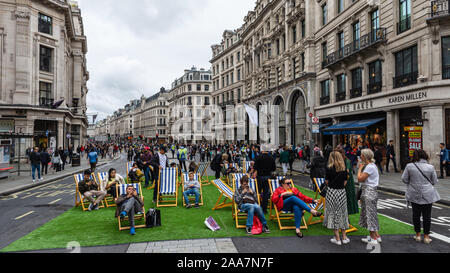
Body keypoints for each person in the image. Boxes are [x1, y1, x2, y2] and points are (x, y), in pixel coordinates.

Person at [402, 149, 440, 244]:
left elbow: (404, 179)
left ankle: (418, 235)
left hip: (414, 193)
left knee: (416, 215)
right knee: (427, 216)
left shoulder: (409, 166)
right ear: (425, 156)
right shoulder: (430, 167)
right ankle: (426, 237)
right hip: (428, 194)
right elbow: (434, 181)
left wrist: (412, 183)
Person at [324, 151, 350, 245]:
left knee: (333, 213)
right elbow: (345, 183)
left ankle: (337, 238)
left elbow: (327, 181)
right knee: (342, 213)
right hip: (341, 192)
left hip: (332, 192)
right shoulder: (344, 169)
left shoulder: (329, 168)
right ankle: (344, 237)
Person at [357, 149, 382, 245]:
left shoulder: (369, 167)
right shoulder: (372, 166)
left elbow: (360, 179)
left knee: (370, 215)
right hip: (371, 192)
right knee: (372, 214)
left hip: (369, 192)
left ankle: (373, 238)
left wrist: (359, 168)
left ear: (365, 156)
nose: (360, 157)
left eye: (361, 155)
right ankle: (376, 236)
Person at [254, 144, 276, 214]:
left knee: (258, 192)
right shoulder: (271, 157)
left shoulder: (258, 157)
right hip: (268, 176)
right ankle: (264, 209)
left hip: (260, 176)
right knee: (266, 194)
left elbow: (255, 167)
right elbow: (274, 168)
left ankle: (257, 208)